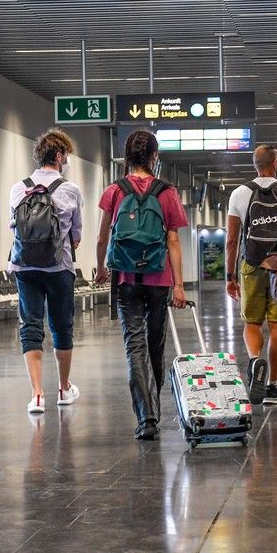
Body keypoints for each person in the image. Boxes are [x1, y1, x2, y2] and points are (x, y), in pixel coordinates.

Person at [95, 130, 188, 440]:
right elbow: (173, 239)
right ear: (154, 156)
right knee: (155, 346)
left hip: (124, 278)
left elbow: (102, 236)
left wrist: (101, 269)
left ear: (127, 157)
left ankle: (145, 417)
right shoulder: (167, 192)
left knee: (134, 346)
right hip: (159, 280)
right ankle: (155, 409)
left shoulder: (114, 190)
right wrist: (178, 285)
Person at [8, 127, 83, 414]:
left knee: (31, 326)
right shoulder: (71, 190)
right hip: (59, 266)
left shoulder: (18, 188)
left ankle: (37, 395)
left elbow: (12, 226)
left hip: (24, 266)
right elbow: (76, 236)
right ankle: (63, 389)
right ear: (59, 155)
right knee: (62, 325)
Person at [226, 144, 277, 405]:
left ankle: (256, 360)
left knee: (252, 322)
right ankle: (272, 385)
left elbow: (232, 239)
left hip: (251, 264)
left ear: (255, 164)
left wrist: (229, 276)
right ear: (276, 163)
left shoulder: (239, 193)